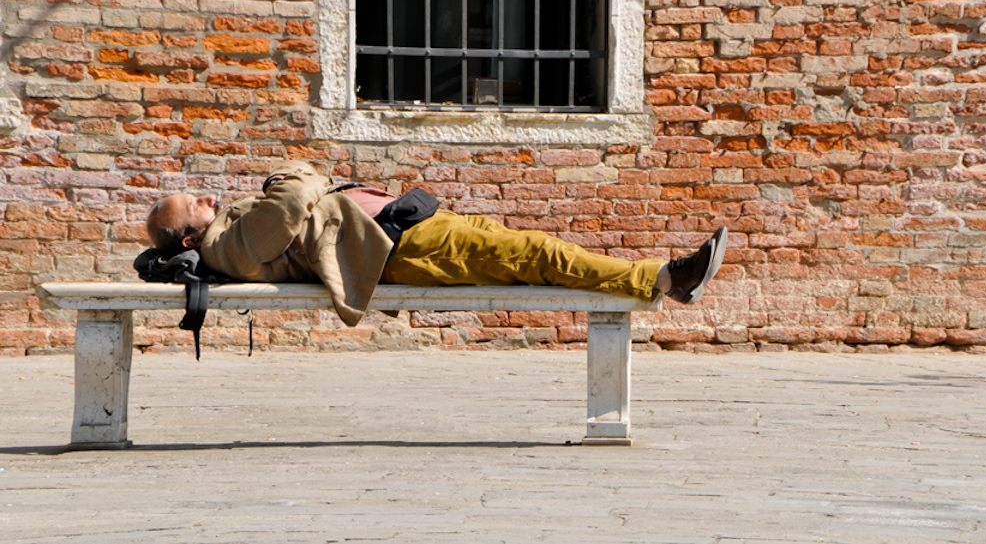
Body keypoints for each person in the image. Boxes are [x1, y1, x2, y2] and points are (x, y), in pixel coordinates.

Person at [144, 161, 728, 326]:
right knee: (538, 256)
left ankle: (664, 279)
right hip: (400, 249)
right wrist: (295, 174)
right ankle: (665, 278)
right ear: (189, 234)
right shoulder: (226, 248)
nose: (206, 196)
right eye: (194, 203)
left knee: (530, 247)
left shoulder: (230, 230)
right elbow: (295, 197)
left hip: (407, 229)